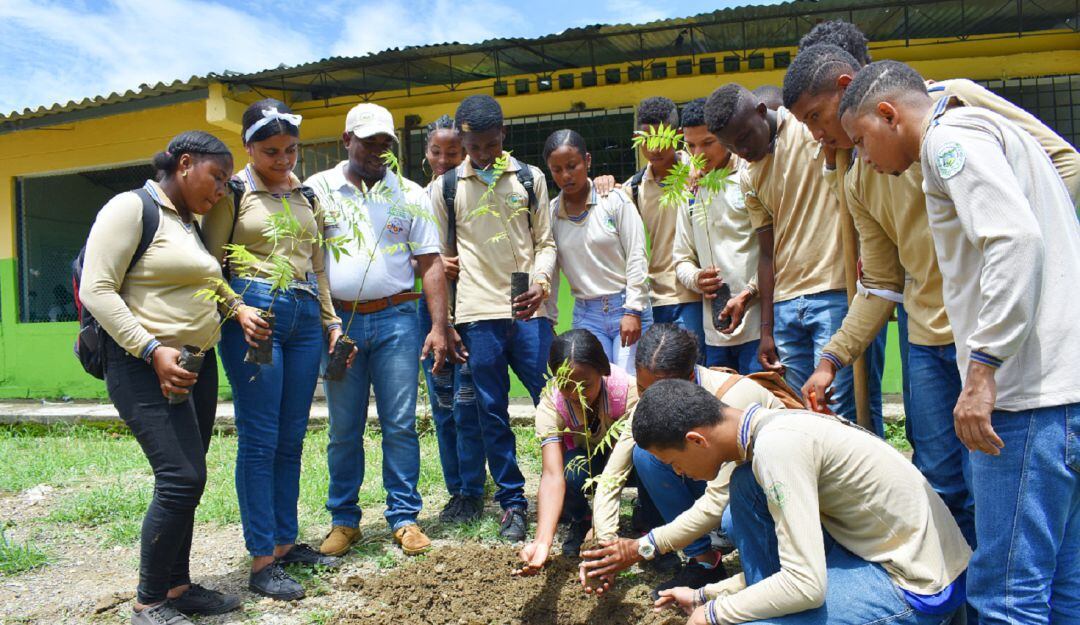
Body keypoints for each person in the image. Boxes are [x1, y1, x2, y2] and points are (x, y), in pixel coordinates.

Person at [839, 59, 1080, 625]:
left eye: (860, 141)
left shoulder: (950, 143)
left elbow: (1014, 242)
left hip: (1024, 407)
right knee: (1062, 585)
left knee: (1005, 596)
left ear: (889, 114)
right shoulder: (999, 134)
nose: (863, 158)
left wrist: (983, 369)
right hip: (1064, 397)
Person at [639, 380, 972, 625]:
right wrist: (704, 596)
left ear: (696, 440)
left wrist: (711, 614)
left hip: (919, 586)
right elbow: (797, 571)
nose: (678, 472)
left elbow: (805, 586)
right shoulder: (771, 429)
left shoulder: (777, 448)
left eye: (672, 463)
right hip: (884, 557)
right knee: (744, 486)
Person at [80, 131, 244, 624]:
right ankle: (148, 602)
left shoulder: (189, 223)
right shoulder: (131, 208)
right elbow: (97, 288)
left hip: (195, 362)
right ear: (185, 163)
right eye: (216, 178)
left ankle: (177, 586)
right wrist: (152, 350)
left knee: (190, 478)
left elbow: (208, 281)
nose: (219, 190)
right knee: (180, 476)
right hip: (140, 363)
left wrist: (236, 309)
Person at [203, 99, 341, 601]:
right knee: (260, 439)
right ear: (248, 148)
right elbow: (209, 266)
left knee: (292, 437)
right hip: (255, 316)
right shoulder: (234, 193)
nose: (283, 159)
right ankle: (261, 560)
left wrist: (330, 319)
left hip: (304, 313)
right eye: (271, 151)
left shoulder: (306, 194)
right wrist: (237, 309)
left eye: (291, 149)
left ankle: (285, 544)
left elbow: (318, 264)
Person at [305, 103, 454, 558]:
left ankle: (405, 518)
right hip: (340, 325)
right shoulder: (317, 190)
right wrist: (327, 322)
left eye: (385, 144)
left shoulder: (410, 194)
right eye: (368, 142)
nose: (377, 151)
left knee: (400, 424)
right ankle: (344, 520)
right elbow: (310, 263)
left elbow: (430, 263)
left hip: (396, 321)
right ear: (346, 140)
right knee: (343, 427)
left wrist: (439, 326)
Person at [429, 95, 556, 542]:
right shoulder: (446, 187)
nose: (481, 155)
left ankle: (571, 497)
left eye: (489, 144)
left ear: (503, 134)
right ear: (463, 141)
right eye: (473, 147)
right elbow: (439, 258)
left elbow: (546, 241)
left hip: (529, 312)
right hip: (478, 317)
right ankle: (513, 503)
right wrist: (444, 323)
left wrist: (540, 282)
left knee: (554, 402)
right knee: (491, 411)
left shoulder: (529, 178)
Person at [581, 324, 788, 595]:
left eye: (658, 389)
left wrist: (643, 547)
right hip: (716, 486)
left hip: (765, 494)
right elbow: (613, 474)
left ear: (690, 378)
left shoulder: (734, 397)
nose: (648, 399)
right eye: (642, 389)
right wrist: (607, 547)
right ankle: (704, 563)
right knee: (645, 455)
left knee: (729, 519)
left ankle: (768, 569)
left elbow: (717, 501)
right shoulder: (655, 402)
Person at [703, 84, 866, 424]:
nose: (742, 149)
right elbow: (766, 253)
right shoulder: (749, 174)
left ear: (762, 112)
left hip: (834, 294)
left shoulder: (810, 132)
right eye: (732, 145)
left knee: (841, 412)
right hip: (786, 306)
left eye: (746, 136)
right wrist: (766, 330)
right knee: (801, 415)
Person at [417, 115, 488, 526]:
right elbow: (401, 254)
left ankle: (475, 491)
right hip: (430, 315)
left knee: (468, 405)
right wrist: (429, 263)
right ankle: (456, 491)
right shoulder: (415, 196)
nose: (444, 159)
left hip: (469, 311)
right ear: (426, 154)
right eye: (436, 152)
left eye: (454, 152)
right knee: (443, 405)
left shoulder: (474, 191)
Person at [518, 329, 638, 567]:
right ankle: (581, 518)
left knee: (647, 460)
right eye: (566, 386)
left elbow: (618, 467)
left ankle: (647, 521)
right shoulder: (551, 404)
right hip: (588, 460)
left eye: (585, 385)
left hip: (627, 462)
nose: (575, 394)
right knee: (569, 469)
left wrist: (601, 527)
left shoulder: (628, 393)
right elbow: (551, 475)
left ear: (602, 372)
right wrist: (542, 541)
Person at [544, 129, 651, 373]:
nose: (565, 175)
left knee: (627, 386)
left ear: (588, 160)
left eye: (572, 165)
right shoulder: (551, 214)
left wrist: (633, 310)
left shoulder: (614, 201)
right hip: (586, 315)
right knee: (595, 388)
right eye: (556, 170)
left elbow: (637, 254)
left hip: (626, 306)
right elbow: (550, 270)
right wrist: (549, 319)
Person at [673, 98, 761, 372]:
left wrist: (750, 292)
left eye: (708, 142)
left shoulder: (750, 176)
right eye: (691, 146)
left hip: (757, 325)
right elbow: (681, 259)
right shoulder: (690, 191)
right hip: (714, 332)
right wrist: (697, 279)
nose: (698, 153)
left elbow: (775, 249)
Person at [626, 97, 706, 359]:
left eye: (662, 137)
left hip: (695, 297)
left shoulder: (701, 172)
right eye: (647, 138)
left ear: (678, 134)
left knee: (696, 369)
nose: (655, 146)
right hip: (654, 300)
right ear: (637, 138)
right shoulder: (633, 189)